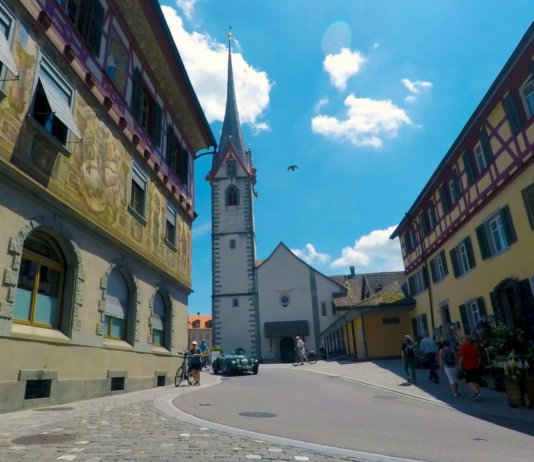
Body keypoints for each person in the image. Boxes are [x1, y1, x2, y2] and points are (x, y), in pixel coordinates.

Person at [458, 335, 482, 400]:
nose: (461, 341)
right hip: (475, 366)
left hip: (468, 366)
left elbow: (461, 358)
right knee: (475, 380)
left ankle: (477, 393)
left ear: (465, 341)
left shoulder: (463, 348)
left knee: (469, 381)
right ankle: (478, 392)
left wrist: (460, 366)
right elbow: (478, 358)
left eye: (462, 340)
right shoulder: (473, 348)